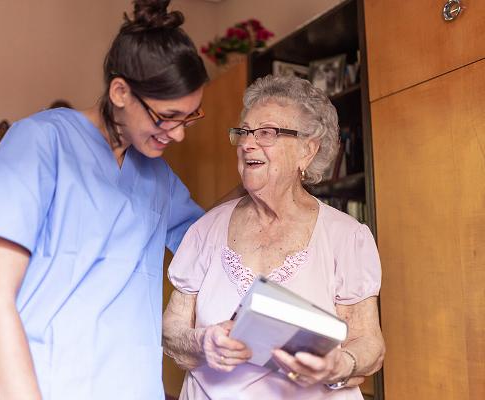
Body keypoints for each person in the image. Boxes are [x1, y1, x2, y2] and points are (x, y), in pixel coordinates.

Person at [0, 1, 209, 399]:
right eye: (167, 117)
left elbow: (211, 240)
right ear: (120, 92)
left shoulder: (157, 176)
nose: (178, 134)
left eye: (189, 117)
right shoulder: (39, 144)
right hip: (39, 385)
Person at [163, 75, 385, 399]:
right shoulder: (205, 230)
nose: (247, 143)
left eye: (266, 133)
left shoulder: (346, 237)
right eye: (244, 132)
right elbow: (172, 331)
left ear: (307, 151)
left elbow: (370, 344)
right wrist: (201, 342)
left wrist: (340, 365)